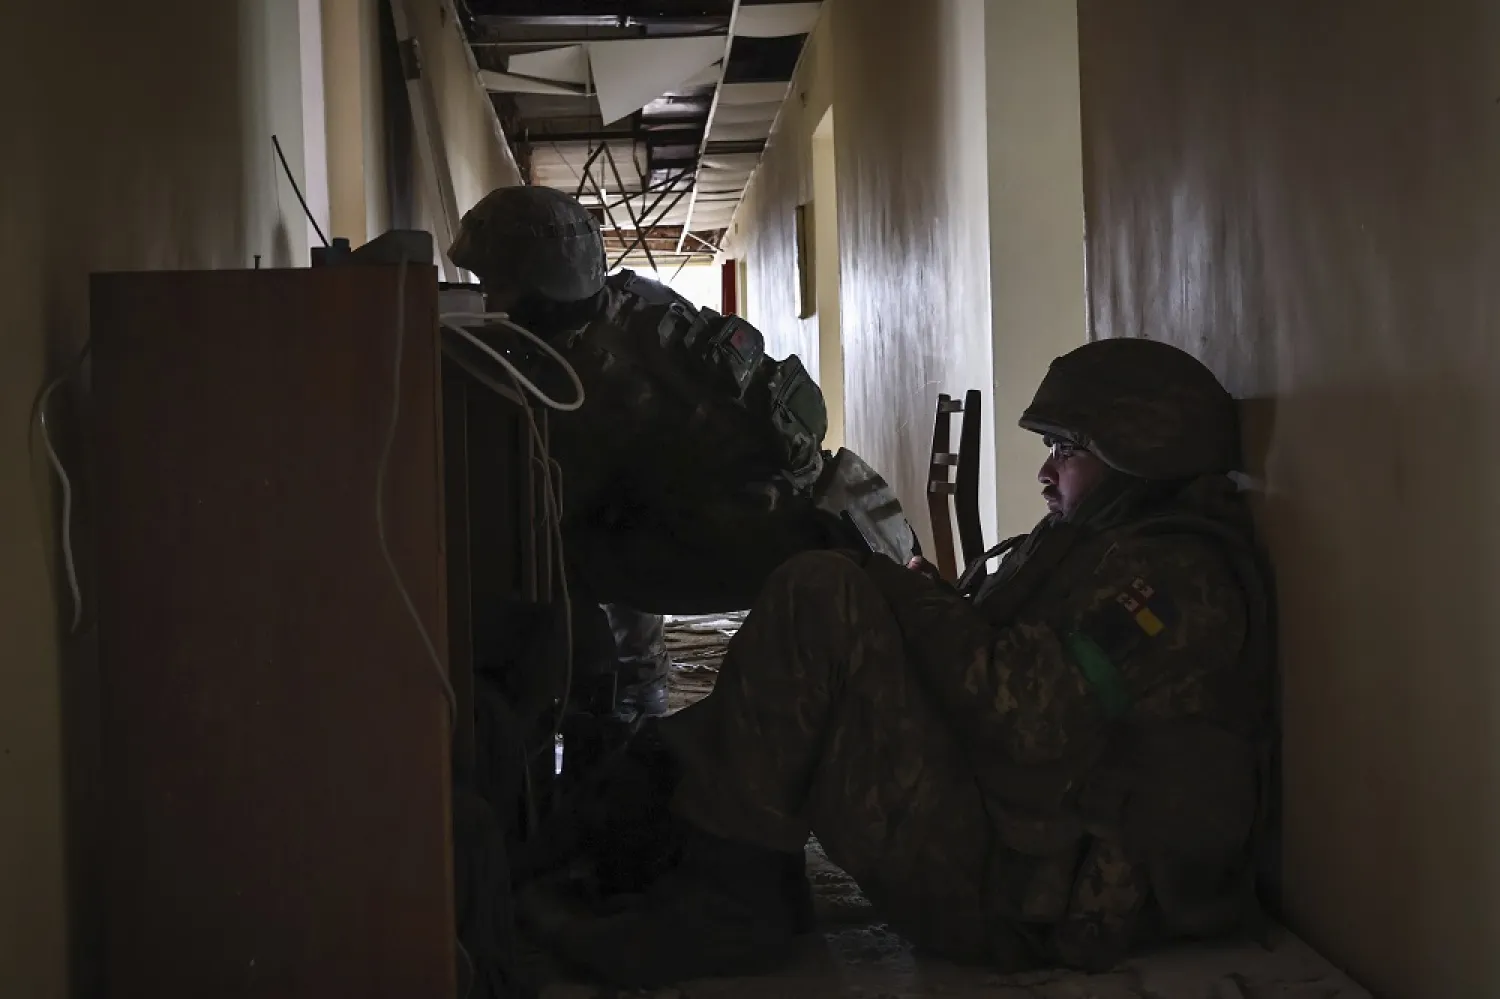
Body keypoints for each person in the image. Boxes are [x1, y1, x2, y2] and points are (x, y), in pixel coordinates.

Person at [519, 336, 1275, 989]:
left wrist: (901, 596)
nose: (1048, 473)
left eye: (1068, 451)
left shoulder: (1178, 585)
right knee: (819, 611)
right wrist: (919, 597)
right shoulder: (1098, 541)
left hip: (1042, 899)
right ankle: (663, 826)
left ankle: (726, 896)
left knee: (826, 593)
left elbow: (1027, 716)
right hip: (1018, 839)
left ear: (1139, 455)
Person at [445, 185, 916, 725]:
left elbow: (560, 501)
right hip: (805, 505)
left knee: (556, 557)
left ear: (533, 291)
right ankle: (630, 697)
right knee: (610, 525)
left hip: (773, 541)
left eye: (491, 285)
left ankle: (613, 716)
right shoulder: (637, 301)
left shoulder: (600, 375)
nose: (485, 299)